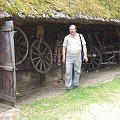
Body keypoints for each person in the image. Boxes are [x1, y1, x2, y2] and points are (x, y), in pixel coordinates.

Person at [62, 24, 88, 91]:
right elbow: (64, 47)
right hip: (69, 57)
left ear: (76, 30)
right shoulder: (67, 37)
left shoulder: (80, 36)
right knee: (68, 72)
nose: (71, 31)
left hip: (78, 56)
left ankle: (76, 85)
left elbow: (84, 46)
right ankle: (68, 87)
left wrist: (85, 55)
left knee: (77, 71)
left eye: (73, 29)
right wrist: (63, 57)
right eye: (70, 30)